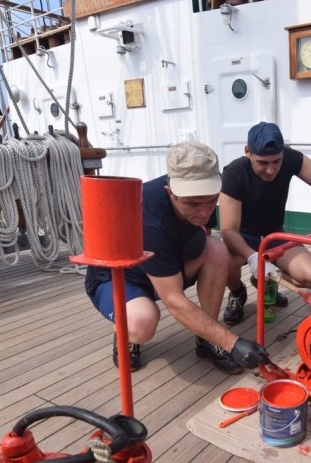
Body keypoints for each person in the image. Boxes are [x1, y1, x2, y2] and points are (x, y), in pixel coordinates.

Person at [83, 142, 269, 374]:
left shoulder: (200, 198)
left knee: (216, 249)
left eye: (212, 200)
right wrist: (233, 343)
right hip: (121, 280)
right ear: (170, 191)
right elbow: (174, 301)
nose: (205, 212)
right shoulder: (150, 218)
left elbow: (205, 233)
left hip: (164, 266)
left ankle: (207, 339)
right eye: (192, 203)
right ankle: (125, 333)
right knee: (143, 321)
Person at [219, 121, 311, 326]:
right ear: (247, 151)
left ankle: (266, 281)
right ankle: (238, 293)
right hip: (242, 236)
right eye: (263, 163)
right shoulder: (233, 173)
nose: (271, 169)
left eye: (276, 161)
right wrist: (253, 258)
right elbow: (228, 230)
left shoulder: (291, 157)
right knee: (224, 262)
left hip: (274, 234)